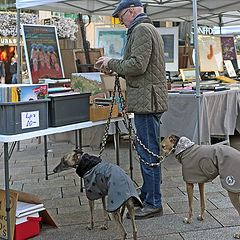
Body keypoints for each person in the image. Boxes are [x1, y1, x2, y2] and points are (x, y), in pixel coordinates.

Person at [96, 0, 168, 219]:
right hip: (148, 99)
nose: (120, 21)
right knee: (148, 151)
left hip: (148, 101)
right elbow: (140, 69)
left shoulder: (142, 30)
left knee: (148, 154)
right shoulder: (145, 28)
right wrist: (117, 70)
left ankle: (153, 203)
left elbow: (138, 65)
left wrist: (112, 63)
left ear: (130, 11)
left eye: (120, 16)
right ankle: (148, 196)